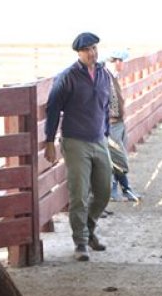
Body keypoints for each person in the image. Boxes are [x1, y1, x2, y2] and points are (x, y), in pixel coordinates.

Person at [42, 32, 114, 262]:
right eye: (87, 50)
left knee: (104, 191)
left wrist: (107, 134)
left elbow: (106, 105)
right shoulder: (67, 77)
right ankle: (81, 242)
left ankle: (89, 228)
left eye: (94, 48)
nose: (92, 53)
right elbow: (53, 109)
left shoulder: (104, 74)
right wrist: (49, 141)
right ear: (78, 53)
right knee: (79, 194)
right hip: (75, 142)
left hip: (99, 140)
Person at [105, 49, 139, 203]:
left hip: (115, 122)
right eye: (122, 61)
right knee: (118, 157)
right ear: (117, 61)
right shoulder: (106, 77)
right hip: (111, 123)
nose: (123, 64)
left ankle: (121, 190)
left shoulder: (109, 76)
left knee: (117, 156)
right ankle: (121, 189)